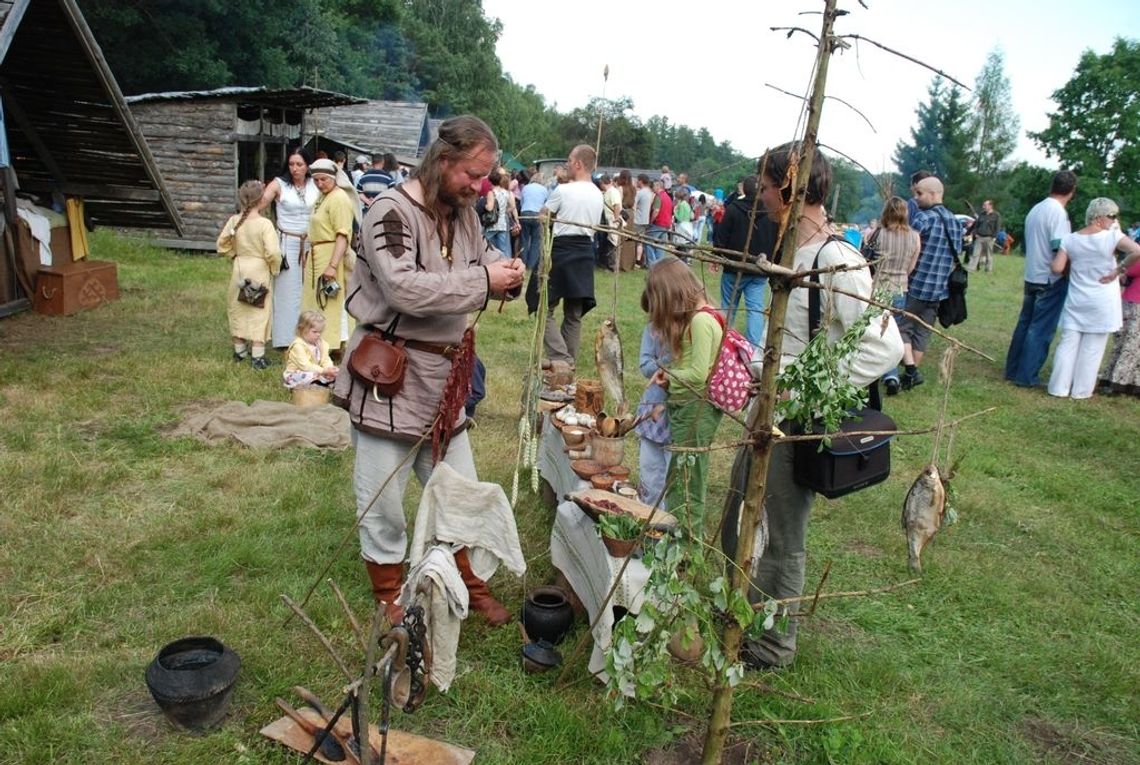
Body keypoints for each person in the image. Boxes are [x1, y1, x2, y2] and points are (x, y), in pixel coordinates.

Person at [332, 115, 525, 626]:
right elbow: (405, 289)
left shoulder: (462, 212)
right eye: (471, 173)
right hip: (389, 377)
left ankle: (469, 580)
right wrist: (484, 279)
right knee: (383, 501)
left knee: (460, 490)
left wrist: (506, 270)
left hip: (445, 381)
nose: (478, 186)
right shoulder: (389, 213)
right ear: (442, 161)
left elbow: (482, 257)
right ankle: (388, 597)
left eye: (485, 176)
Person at [741, 142, 903, 669]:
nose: (761, 194)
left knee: (783, 535)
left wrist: (806, 388)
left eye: (767, 185)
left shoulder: (838, 259)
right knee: (741, 513)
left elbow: (884, 346)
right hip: (767, 412)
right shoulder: (794, 251)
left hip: (796, 420)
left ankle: (771, 644)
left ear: (788, 186)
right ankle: (741, 614)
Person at [644, 258, 723, 534]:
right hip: (688, 406)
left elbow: (700, 374)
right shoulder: (702, 317)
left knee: (687, 483)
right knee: (682, 479)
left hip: (695, 407)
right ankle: (680, 537)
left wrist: (669, 375)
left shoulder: (701, 320)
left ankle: (686, 544)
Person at [1047, 198, 1140, 399]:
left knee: (1067, 344)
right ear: (1099, 218)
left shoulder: (1070, 239)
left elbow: (1057, 268)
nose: (1114, 220)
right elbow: (1136, 250)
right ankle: (1081, 391)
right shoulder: (1112, 237)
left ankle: (1058, 388)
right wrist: (1119, 270)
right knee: (1093, 348)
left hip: (1077, 298)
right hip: (1102, 299)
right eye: (1112, 216)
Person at [1005, 171, 1077, 388]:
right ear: (1071, 191)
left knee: (1025, 324)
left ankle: (1013, 369)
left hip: (1032, 273)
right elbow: (1059, 247)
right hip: (1049, 278)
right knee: (1041, 329)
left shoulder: (1036, 209)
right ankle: (1027, 375)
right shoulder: (1058, 214)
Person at [534, 144, 604, 367]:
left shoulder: (563, 190)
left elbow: (544, 217)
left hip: (562, 251)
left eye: (569, 160)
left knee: (543, 307)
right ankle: (568, 360)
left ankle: (561, 357)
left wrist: (544, 218)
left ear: (578, 164)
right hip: (585, 253)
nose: (567, 164)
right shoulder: (598, 194)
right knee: (573, 314)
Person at [896, 176, 962, 391]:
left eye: (920, 193)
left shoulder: (923, 219)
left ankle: (911, 370)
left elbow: (908, 249)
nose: (916, 198)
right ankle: (910, 375)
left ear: (934, 194)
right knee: (923, 332)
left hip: (916, 285)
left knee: (902, 327)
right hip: (938, 291)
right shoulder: (955, 222)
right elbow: (956, 256)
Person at [259, 146, 318, 349]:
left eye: (299, 164)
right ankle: (285, 339)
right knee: (286, 291)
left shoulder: (315, 184)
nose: (295, 168)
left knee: (309, 290)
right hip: (287, 242)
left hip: (311, 243)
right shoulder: (279, 184)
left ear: (307, 165)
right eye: (291, 164)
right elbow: (261, 203)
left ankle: (310, 336)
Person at [218, 180, 282, 370]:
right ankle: (258, 356)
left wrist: (234, 254)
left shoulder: (234, 221)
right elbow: (273, 252)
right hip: (259, 268)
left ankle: (239, 351)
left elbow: (221, 244)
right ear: (262, 199)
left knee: (238, 307)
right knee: (258, 309)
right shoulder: (265, 224)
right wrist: (274, 267)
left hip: (240, 267)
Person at [714, 174, 778, 348]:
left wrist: (720, 256)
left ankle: (724, 343)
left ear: (744, 189)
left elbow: (720, 237)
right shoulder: (770, 212)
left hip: (735, 267)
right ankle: (753, 347)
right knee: (755, 309)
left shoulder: (734, 210)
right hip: (757, 270)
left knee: (728, 306)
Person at [305, 158, 359, 354]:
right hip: (317, 254)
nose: (320, 184)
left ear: (334, 178)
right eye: (316, 180)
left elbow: (342, 234)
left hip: (331, 255)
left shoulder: (339, 198)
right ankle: (318, 342)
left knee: (331, 301)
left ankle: (334, 343)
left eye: (324, 180)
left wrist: (333, 265)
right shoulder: (323, 197)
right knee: (317, 301)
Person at [870, 196, 922, 395]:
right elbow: (911, 267)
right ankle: (892, 374)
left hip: (878, 287)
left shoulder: (877, 234)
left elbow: (869, 263)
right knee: (894, 332)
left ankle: (883, 373)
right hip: (900, 288)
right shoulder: (915, 237)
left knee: (877, 331)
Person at [634, 319, 671, 509]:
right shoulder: (652, 328)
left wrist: (661, 367)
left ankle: (668, 518)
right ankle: (648, 511)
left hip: (677, 411)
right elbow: (645, 365)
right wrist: (664, 365)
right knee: (650, 467)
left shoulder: (692, 328)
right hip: (653, 405)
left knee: (672, 475)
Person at [1100, 246, 1140, 395]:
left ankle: (1116, 382)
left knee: (1126, 344)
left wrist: (1122, 268)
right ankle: (1133, 383)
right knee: (1135, 346)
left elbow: (1130, 270)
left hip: (1134, 302)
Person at [283, 309, 338, 389]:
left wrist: (329, 368)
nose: (318, 335)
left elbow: (325, 359)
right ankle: (317, 384)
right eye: (314, 332)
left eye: (320, 332)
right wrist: (323, 371)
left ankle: (323, 382)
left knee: (331, 375)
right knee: (309, 376)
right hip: (297, 373)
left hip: (316, 371)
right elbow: (305, 366)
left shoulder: (321, 344)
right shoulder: (298, 346)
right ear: (301, 329)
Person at [483, 167, 517, 257]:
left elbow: (490, 208)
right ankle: (506, 263)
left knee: (483, 242)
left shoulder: (492, 193)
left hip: (492, 223)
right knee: (503, 248)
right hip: (503, 224)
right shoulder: (506, 193)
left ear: (491, 181)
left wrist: (484, 206)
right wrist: (503, 211)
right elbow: (513, 206)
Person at [518, 170, 549, 270]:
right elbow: (546, 204)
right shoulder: (544, 189)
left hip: (525, 213)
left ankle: (522, 262)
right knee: (536, 241)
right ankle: (532, 265)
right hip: (537, 214)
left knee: (524, 239)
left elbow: (522, 202)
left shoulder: (525, 187)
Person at [645, 179, 674, 266]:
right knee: (660, 245)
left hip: (658, 223)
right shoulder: (668, 197)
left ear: (658, 186)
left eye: (654, 186)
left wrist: (651, 221)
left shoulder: (659, 197)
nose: (653, 188)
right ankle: (660, 264)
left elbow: (656, 211)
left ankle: (652, 263)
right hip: (666, 224)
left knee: (648, 242)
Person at [967, 199, 1001, 273]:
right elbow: (977, 225)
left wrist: (994, 236)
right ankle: (971, 269)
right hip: (979, 237)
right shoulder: (982, 214)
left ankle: (988, 270)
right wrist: (975, 233)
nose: (983, 207)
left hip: (989, 238)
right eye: (983, 205)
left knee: (989, 255)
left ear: (990, 206)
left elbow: (997, 227)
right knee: (975, 254)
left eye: (985, 205)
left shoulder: (996, 215)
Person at [633, 173, 654, 266]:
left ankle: (636, 260)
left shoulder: (640, 193)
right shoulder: (650, 192)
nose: (637, 182)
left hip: (637, 219)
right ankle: (640, 260)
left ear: (641, 181)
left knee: (636, 241)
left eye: (637, 180)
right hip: (645, 220)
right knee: (641, 241)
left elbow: (633, 205)